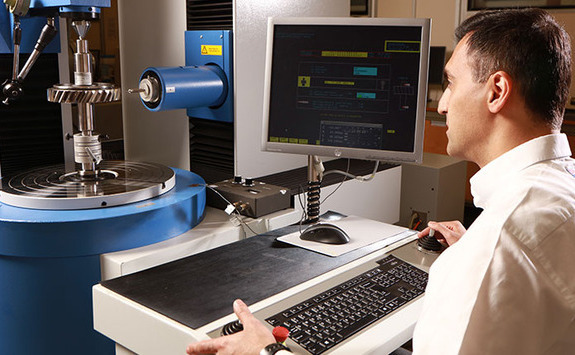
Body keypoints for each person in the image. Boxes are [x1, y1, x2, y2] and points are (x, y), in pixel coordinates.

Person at [187, 8, 575, 354]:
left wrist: (264, 351)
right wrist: (478, 248)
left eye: (451, 83)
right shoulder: (557, 193)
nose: (441, 104)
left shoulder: (500, 243)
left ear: (497, 91)